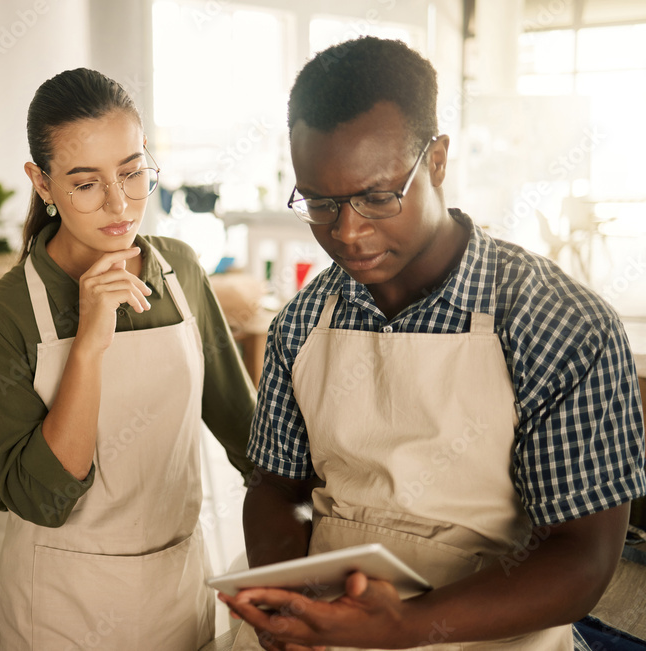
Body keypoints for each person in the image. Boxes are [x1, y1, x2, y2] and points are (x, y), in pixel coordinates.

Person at [222, 37, 646, 651]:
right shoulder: (301, 323)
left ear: (438, 161)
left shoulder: (558, 324)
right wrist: (286, 596)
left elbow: (583, 556)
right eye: (320, 203)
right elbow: (274, 489)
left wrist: (407, 627)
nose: (347, 232)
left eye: (377, 196)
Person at [0, 68, 256, 650]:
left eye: (132, 172)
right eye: (85, 183)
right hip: (63, 605)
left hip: (179, 588)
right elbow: (42, 499)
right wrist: (90, 344)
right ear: (41, 183)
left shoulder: (181, 270)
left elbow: (246, 433)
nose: (121, 204)